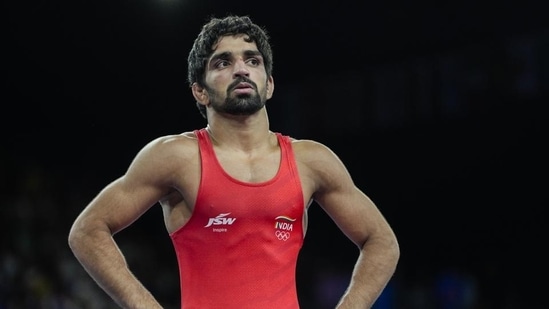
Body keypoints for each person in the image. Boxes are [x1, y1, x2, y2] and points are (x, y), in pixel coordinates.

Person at [68, 14, 400, 309]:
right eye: (222, 63)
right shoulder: (176, 157)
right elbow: (87, 231)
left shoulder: (311, 161)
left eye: (252, 61)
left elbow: (382, 242)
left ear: (268, 85)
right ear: (200, 91)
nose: (241, 69)